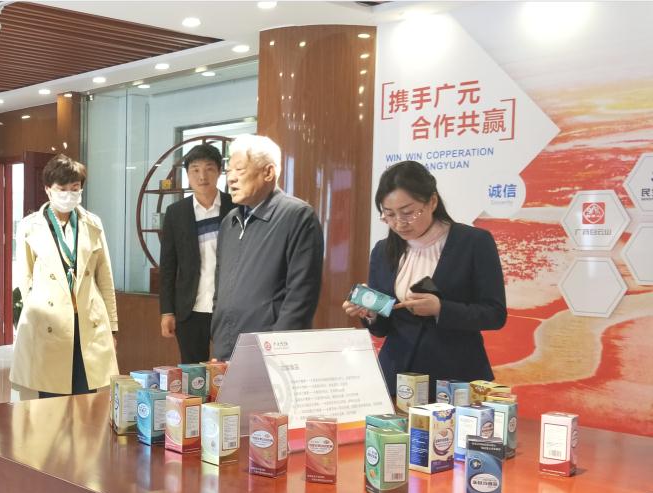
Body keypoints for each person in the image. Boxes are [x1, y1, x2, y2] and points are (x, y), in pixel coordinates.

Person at [344, 160, 506, 395]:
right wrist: (371, 314)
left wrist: (441, 309)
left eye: (408, 213)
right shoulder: (382, 250)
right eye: (389, 214)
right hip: (397, 375)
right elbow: (382, 329)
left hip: (455, 377)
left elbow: (495, 314)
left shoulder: (474, 242)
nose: (399, 223)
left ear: (432, 202)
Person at [11, 154, 120, 397]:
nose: (69, 194)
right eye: (62, 189)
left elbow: (105, 277)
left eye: (75, 188)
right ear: (48, 189)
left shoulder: (92, 223)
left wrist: (112, 327)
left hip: (87, 321)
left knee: (87, 398)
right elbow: (25, 279)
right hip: (49, 323)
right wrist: (34, 320)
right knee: (51, 399)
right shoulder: (29, 226)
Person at [211, 134, 324, 360]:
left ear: (268, 172)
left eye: (239, 170)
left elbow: (301, 296)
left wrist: (278, 349)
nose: (231, 179)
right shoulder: (229, 221)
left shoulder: (297, 216)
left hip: (271, 350)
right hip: (226, 345)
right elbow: (220, 285)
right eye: (229, 171)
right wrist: (217, 330)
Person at [159, 144, 235, 363]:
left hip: (229, 308)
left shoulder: (236, 207)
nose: (202, 176)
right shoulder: (176, 213)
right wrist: (167, 311)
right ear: (187, 174)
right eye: (195, 170)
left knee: (231, 369)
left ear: (219, 172)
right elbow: (168, 267)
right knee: (193, 372)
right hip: (190, 309)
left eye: (209, 169)